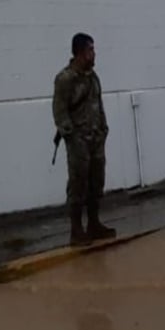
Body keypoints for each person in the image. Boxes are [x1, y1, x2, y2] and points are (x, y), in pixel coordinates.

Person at [53, 33, 116, 246]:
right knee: (78, 184)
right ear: (80, 53)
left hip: (96, 139)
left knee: (96, 181)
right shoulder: (66, 79)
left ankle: (94, 223)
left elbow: (99, 105)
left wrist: (103, 129)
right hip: (79, 141)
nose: (94, 53)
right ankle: (76, 229)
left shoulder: (93, 77)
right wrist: (71, 135)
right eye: (90, 50)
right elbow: (59, 111)